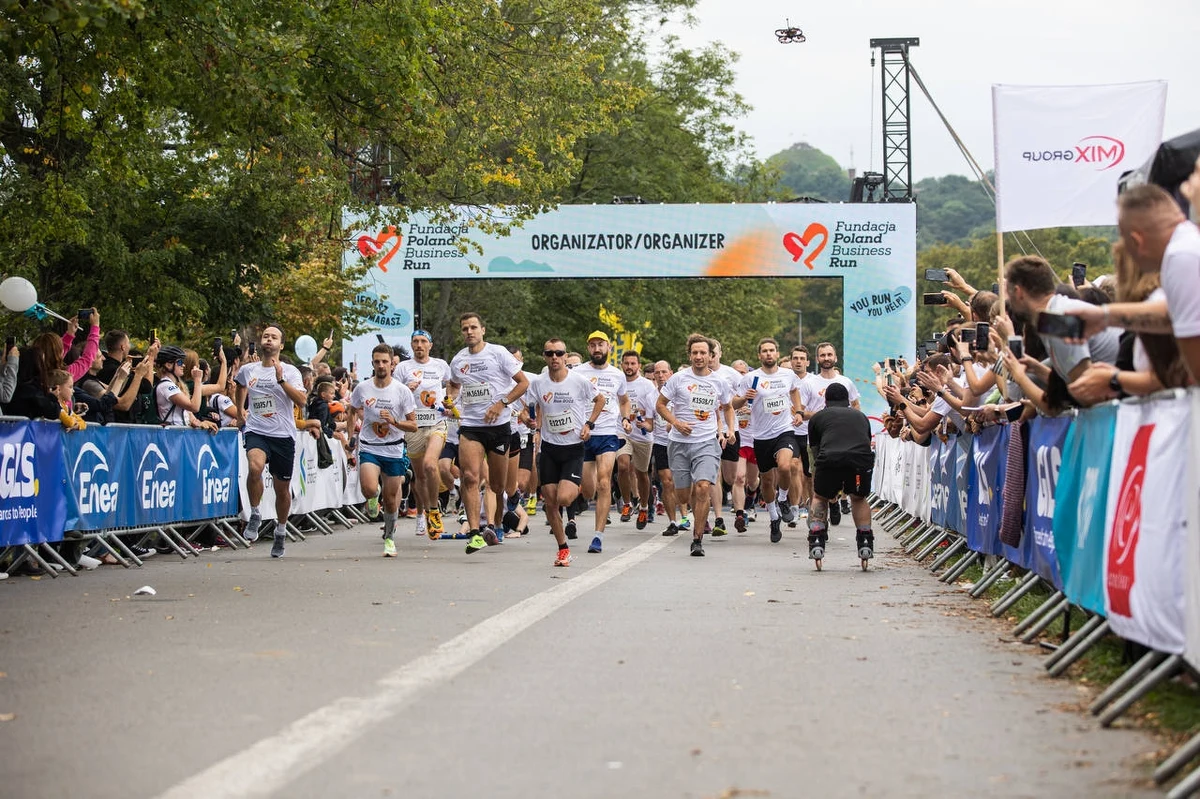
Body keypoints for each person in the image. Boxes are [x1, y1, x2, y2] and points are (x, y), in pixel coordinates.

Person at [1063, 183, 1200, 383]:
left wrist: (1116, 379)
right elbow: (1172, 313)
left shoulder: (1181, 257)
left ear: (1137, 241)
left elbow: (1194, 371)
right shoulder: (1187, 245)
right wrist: (1104, 316)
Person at [445, 312, 529, 555]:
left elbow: (523, 383)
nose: (469, 332)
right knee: (470, 477)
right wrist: (451, 399)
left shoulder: (498, 353)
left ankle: (500, 521)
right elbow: (455, 384)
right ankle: (474, 532)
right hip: (471, 426)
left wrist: (501, 403)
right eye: (464, 329)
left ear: (483, 330)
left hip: (499, 426)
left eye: (473, 327)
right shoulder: (458, 360)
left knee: (497, 484)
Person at [527, 338, 606, 566]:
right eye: (549, 353)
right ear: (545, 356)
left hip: (573, 448)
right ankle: (563, 548)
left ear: (564, 356)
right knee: (550, 503)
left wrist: (588, 424)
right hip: (550, 448)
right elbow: (531, 405)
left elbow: (600, 400)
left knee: (563, 497)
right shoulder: (539, 382)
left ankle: (576, 487)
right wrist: (533, 424)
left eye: (559, 353)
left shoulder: (579, 381)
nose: (554, 357)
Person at [656, 334, 735, 557]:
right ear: (689, 355)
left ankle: (697, 538)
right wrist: (676, 423)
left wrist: (729, 429)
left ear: (711, 356)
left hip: (707, 441)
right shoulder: (678, 379)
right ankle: (694, 512)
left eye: (703, 353)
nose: (699, 356)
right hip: (679, 443)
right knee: (683, 495)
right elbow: (660, 405)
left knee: (702, 487)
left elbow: (727, 407)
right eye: (695, 353)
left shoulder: (719, 381)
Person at [234, 326, 308, 557]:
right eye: (266, 336)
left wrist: (281, 381)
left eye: (274, 337)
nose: (269, 340)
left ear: (281, 345)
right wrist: (239, 412)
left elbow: (302, 401)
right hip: (257, 430)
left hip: (283, 436)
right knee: (254, 467)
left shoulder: (290, 371)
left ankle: (281, 531)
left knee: (282, 490)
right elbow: (239, 385)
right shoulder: (249, 370)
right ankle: (255, 513)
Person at [348, 343, 419, 556]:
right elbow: (351, 411)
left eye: (385, 362)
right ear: (372, 363)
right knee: (369, 488)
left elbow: (413, 425)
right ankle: (372, 496)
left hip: (394, 449)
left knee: (390, 499)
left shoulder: (402, 391)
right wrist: (352, 436)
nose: (381, 365)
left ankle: (389, 537)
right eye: (377, 361)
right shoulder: (362, 388)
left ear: (391, 364)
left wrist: (395, 422)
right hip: (370, 446)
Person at [733, 338, 804, 544]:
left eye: (772, 350)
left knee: (785, 466)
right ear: (759, 355)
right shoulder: (751, 378)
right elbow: (734, 403)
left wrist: (798, 411)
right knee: (766, 480)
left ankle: (783, 500)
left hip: (784, 430)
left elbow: (794, 391)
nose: (768, 354)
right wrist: (745, 397)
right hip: (762, 436)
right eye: (764, 351)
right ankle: (774, 517)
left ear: (777, 352)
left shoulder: (788, 374)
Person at [572, 331, 630, 554]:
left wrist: (625, 418)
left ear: (609, 348)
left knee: (604, 482)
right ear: (588, 349)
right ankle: (590, 499)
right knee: (588, 490)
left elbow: (624, 400)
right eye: (593, 345)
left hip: (607, 432)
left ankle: (598, 535)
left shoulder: (617, 374)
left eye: (601, 345)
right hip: (583, 434)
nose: (597, 349)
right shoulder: (577, 372)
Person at [806, 382, 875, 568]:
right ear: (848, 400)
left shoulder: (817, 418)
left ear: (825, 400)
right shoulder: (861, 416)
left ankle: (817, 538)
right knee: (858, 498)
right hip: (860, 461)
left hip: (830, 459)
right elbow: (866, 441)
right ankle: (865, 540)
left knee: (820, 496)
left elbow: (815, 449)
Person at [396, 329, 452, 539]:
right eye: (415, 341)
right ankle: (422, 513)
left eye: (423, 341)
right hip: (413, 425)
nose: (419, 345)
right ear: (411, 345)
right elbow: (393, 395)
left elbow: (452, 385)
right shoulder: (403, 368)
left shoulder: (440, 365)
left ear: (430, 345)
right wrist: (405, 389)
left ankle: (434, 510)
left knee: (430, 464)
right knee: (419, 476)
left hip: (437, 422)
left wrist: (450, 402)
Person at [798, 342, 860, 526]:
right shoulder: (809, 383)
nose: (826, 358)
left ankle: (835, 500)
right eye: (823, 355)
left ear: (835, 357)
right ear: (817, 359)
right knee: (817, 479)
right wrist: (823, 416)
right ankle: (819, 520)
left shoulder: (845, 382)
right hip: (818, 440)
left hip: (843, 438)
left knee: (840, 475)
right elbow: (800, 411)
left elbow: (856, 406)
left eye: (829, 355)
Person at [615, 349, 657, 530]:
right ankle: (626, 503)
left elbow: (653, 416)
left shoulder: (647, 386)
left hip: (642, 435)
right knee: (623, 465)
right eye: (626, 363)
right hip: (621, 431)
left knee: (642, 474)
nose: (629, 367)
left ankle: (644, 507)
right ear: (622, 365)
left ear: (638, 366)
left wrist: (644, 422)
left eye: (633, 363)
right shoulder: (616, 381)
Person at [650, 359, 683, 536]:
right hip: (661, 443)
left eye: (664, 372)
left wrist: (675, 423)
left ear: (671, 373)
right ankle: (672, 521)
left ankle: (685, 516)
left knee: (684, 482)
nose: (661, 375)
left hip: (680, 442)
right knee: (667, 481)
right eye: (657, 372)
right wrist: (641, 424)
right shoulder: (650, 396)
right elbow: (649, 424)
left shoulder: (680, 390)